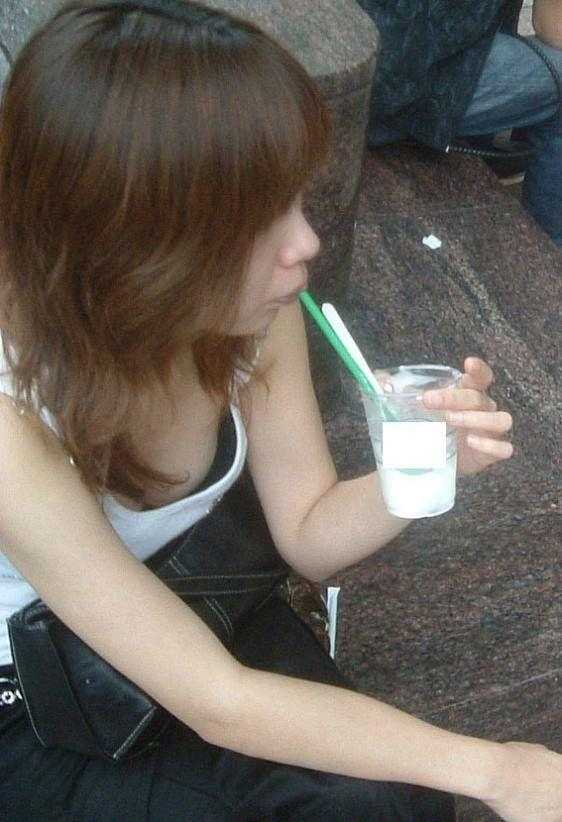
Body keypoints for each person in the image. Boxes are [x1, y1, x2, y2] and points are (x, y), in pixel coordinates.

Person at [0, 1, 560, 820]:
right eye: (256, 220)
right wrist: (502, 772)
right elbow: (218, 700)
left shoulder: (249, 312)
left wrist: (421, 467)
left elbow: (307, 534)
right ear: (134, 239)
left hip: (192, 596)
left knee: (396, 797)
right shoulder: (13, 420)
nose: (306, 245)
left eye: (297, 200)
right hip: (36, 689)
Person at [357, 0, 562, 249]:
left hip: (359, 41)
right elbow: (553, 29)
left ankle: (485, 146)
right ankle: (551, 245)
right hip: (399, 81)